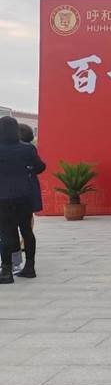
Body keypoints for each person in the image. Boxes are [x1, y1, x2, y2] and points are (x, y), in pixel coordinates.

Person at [0, 116, 46, 284]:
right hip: (24, 195)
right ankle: (30, 267)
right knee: (26, 230)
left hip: (3, 197)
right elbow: (41, 167)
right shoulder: (27, 149)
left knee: (6, 233)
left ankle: (6, 271)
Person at [12, 124, 42, 275]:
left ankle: (12, 263)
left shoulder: (14, 148)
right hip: (27, 192)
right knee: (27, 225)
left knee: (9, 229)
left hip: (9, 195)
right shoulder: (30, 149)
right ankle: (28, 264)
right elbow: (40, 167)